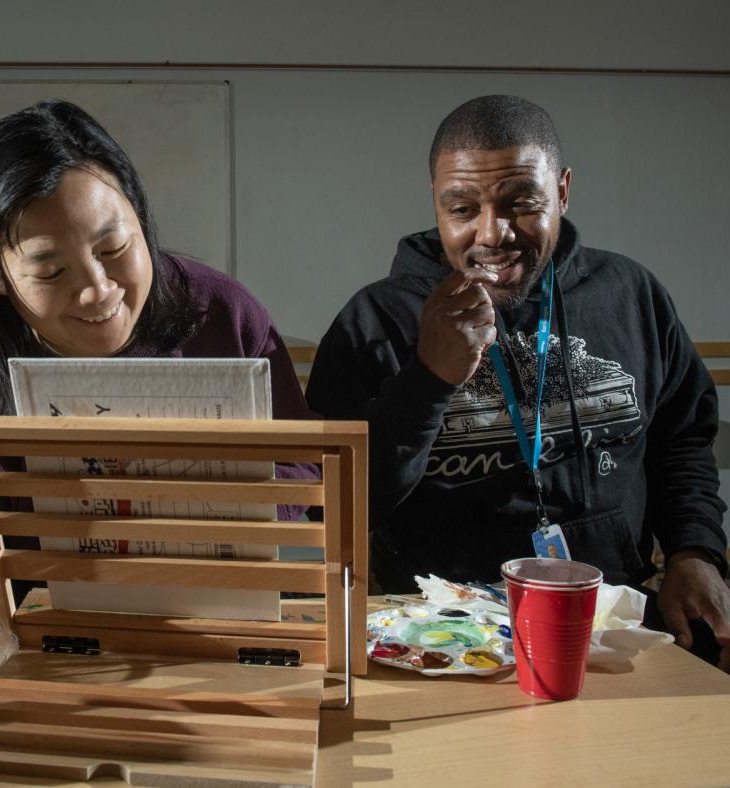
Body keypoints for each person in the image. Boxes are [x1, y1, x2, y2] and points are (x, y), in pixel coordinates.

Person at [306, 95, 729, 669]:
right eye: (462, 208)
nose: (492, 233)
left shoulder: (630, 295)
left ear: (562, 190)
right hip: (438, 637)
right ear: (436, 201)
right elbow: (338, 506)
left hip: (615, 621)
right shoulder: (375, 322)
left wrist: (694, 552)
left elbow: (680, 442)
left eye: (521, 202)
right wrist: (429, 379)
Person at [0, 99, 315, 610]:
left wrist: (214, 509)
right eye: (51, 272)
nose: (98, 291)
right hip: (53, 650)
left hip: (217, 617)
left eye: (113, 250)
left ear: (141, 221)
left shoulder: (221, 314)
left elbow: (301, 461)